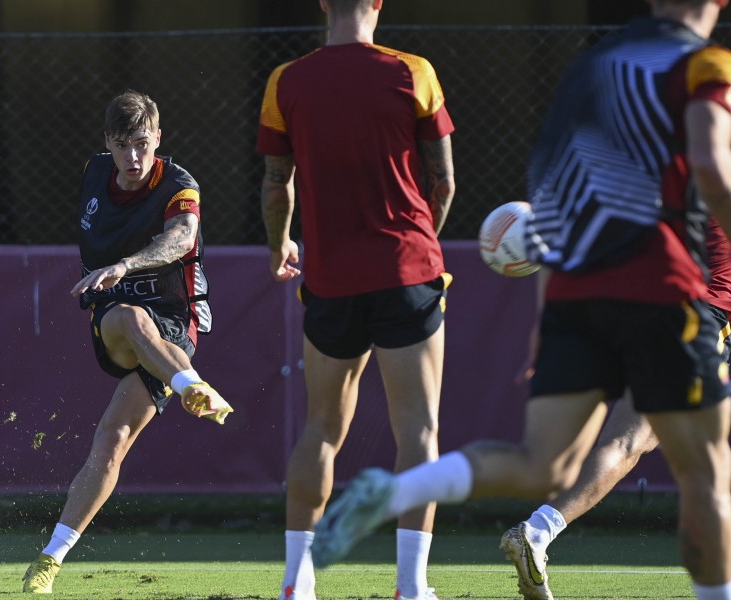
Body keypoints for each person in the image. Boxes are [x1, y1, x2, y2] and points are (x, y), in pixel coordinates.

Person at [310, 2, 731, 599]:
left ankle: (399, 490)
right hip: (677, 299)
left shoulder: (599, 69)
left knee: (545, 462)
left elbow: (552, 198)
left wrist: (548, 313)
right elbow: (714, 172)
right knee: (705, 470)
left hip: (583, 294)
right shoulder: (705, 68)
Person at [256, 0, 456, 598]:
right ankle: (412, 587)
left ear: (323, 3)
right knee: (419, 430)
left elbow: (275, 184)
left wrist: (277, 248)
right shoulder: (413, 71)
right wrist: (421, 244)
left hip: (333, 279)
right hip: (407, 273)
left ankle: (297, 582)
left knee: (320, 428)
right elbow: (442, 180)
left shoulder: (286, 80)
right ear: (378, 3)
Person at [22, 89, 233, 594]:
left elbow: (182, 237)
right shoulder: (95, 174)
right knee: (130, 315)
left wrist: (124, 264)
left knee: (112, 442)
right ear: (108, 145)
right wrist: (112, 277)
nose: (133, 157)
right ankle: (193, 387)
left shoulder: (181, 185)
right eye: (123, 145)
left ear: (158, 138)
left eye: (142, 143)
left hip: (178, 328)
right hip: (116, 320)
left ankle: (48, 562)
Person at [501, 217, 731, 600]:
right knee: (640, 446)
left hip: (651, 314)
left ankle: (536, 530)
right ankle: (537, 531)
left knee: (633, 443)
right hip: (701, 324)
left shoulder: (664, 177)